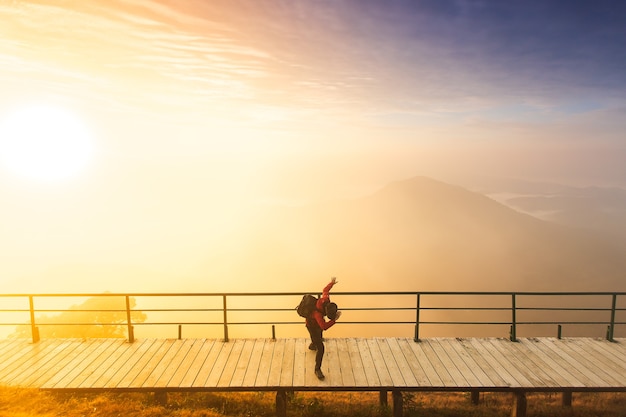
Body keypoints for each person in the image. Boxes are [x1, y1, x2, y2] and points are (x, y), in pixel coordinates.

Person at [305, 277, 342, 380]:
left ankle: (313, 344)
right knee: (321, 348)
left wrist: (332, 283)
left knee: (317, 338)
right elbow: (324, 327)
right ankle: (317, 369)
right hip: (311, 326)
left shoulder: (326, 299)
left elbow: (325, 290)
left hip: (315, 324)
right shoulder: (318, 315)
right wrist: (334, 320)